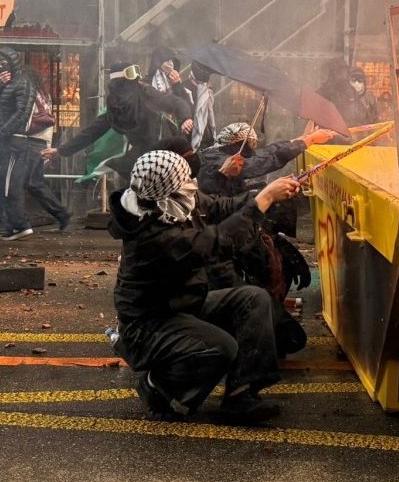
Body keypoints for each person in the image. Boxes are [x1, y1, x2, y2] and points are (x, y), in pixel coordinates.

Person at [108, 150, 301, 422]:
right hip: (147, 327)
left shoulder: (171, 204)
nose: (193, 184)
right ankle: (160, 390)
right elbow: (219, 241)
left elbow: (220, 207)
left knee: (253, 299)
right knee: (222, 347)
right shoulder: (152, 237)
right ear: (169, 191)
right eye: (185, 179)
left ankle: (240, 395)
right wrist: (264, 199)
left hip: (181, 305)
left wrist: (268, 193)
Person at [41, 62, 193, 182]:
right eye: (132, 74)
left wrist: (186, 118)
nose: (137, 80)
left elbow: (176, 103)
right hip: (142, 152)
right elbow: (92, 132)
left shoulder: (145, 92)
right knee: (129, 176)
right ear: (119, 82)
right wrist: (61, 150)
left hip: (165, 148)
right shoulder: (115, 106)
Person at [0, 47, 35, 240]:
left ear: (13, 63)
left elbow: (21, 114)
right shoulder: (1, 84)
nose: (1, 67)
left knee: (7, 185)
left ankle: (18, 224)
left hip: (12, 143)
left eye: (4, 63)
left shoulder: (23, 83)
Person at [197, 122, 336, 198]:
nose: (253, 148)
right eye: (250, 143)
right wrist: (309, 140)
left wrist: (301, 139)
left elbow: (267, 152)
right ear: (239, 143)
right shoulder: (221, 161)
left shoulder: (217, 152)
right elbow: (263, 159)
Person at [19, 77, 71, 231]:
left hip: (30, 141)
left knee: (20, 183)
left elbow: (25, 118)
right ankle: (61, 213)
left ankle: (19, 221)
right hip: (41, 141)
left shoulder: (29, 93)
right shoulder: (44, 95)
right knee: (34, 183)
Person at [319, 65, 378, 129]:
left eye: (360, 80)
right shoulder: (341, 96)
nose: (357, 83)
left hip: (366, 131)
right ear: (348, 81)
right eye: (353, 80)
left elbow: (374, 119)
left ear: (364, 82)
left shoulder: (369, 97)